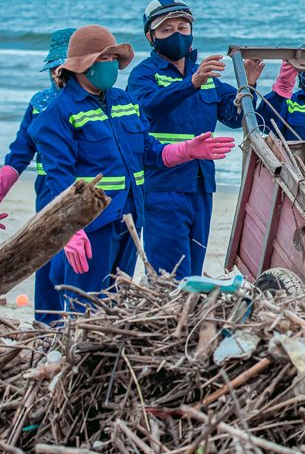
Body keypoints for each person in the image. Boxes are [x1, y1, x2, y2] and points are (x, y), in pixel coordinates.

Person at [29, 25, 235, 310]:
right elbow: (59, 180)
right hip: (93, 223)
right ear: (83, 66)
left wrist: (187, 150)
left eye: (114, 58)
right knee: (86, 303)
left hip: (130, 217)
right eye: (104, 59)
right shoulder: (58, 113)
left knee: (116, 301)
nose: (112, 65)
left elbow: (148, 151)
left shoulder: (123, 101)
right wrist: (71, 231)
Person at [126, 0, 261, 279]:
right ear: (151, 37)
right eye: (167, 30)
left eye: (183, 27)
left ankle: (186, 322)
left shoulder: (207, 77)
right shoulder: (143, 75)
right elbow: (150, 106)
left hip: (201, 185)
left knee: (194, 273)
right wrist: (192, 83)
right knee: (170, 274)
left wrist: (247, 85)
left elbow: (235, 118)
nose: (177, 34)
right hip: (162, 185)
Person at [0, 28, 74, 324]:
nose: (58, 75)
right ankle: (47, 332)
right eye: (54, 69)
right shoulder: (40, 103)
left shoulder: (102, 101)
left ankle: (78, 327)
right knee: (46, 262)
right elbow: (19, 154)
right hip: (48, 191)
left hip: (90, 192)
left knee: (74, 265)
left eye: (64, 67)